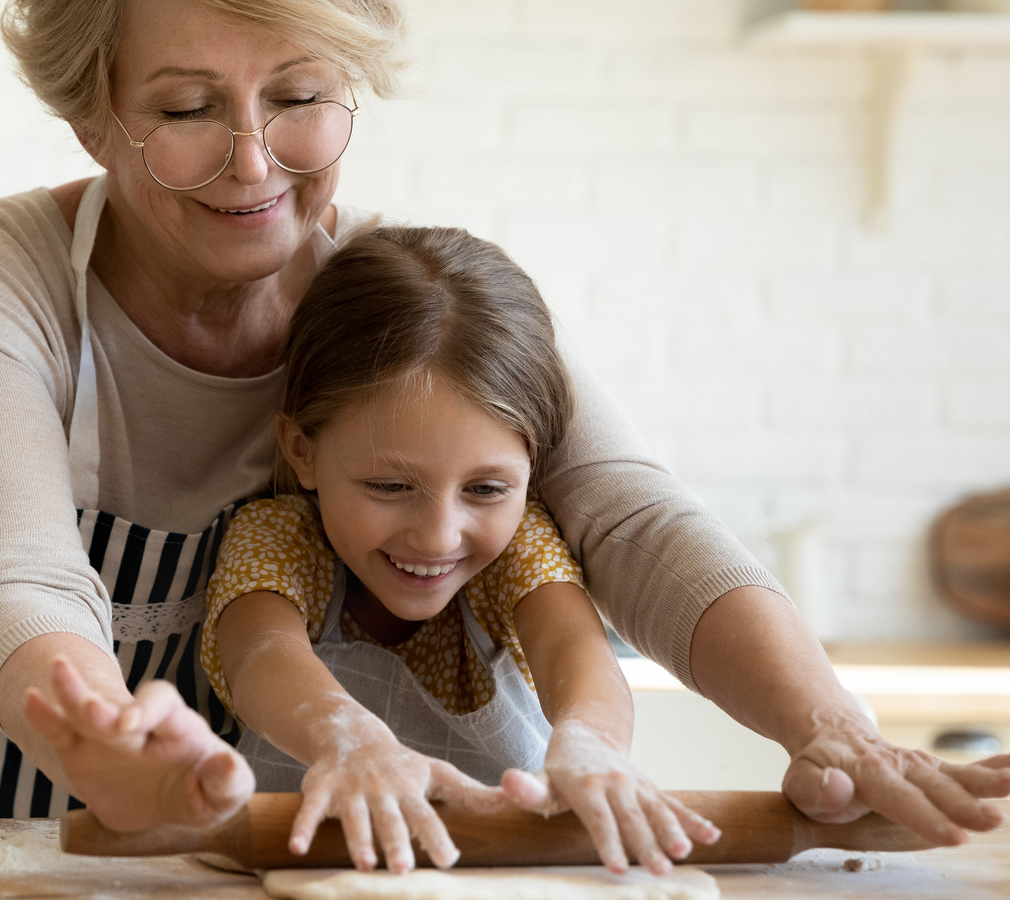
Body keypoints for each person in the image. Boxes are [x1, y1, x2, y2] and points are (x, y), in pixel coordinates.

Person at [0, 0, 1010, 858]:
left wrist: (835, 731)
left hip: (234, 834)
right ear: (93, 121)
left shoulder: (395, 305)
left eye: (298, 99)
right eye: (184, 109)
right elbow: (9, 571)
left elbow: (629, 514)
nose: (250, 160)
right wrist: (105, 736)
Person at [201, 225, 721, 875]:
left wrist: (593, 743)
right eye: (390, 486)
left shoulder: (516, 549)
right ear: (302, 449)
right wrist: (349, 741)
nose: (438, 535)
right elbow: (259, 654)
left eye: (486, 488)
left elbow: (573, 648)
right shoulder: (281, 541)